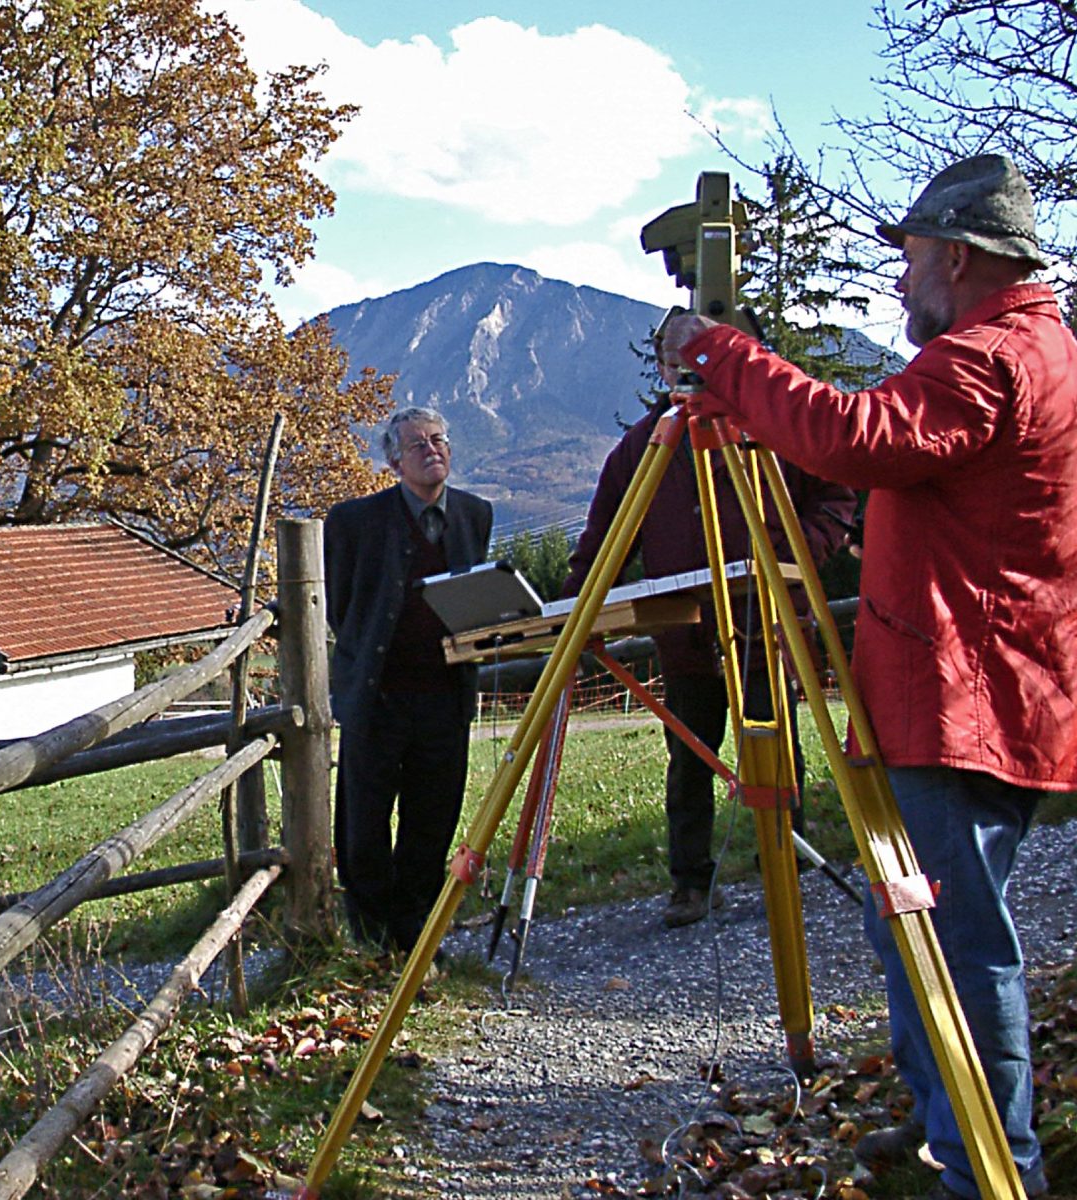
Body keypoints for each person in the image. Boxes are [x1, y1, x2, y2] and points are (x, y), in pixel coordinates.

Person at [664, 154, 1072, 1200]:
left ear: (961, 257)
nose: (898, 280)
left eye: (912, 256)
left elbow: (859, 439)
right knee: (915, 920)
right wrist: (749, 399)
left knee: (959, 942)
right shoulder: (1033, 346)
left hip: (967, 695)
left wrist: (724, 355)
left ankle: (993, 1165)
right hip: (967, 682)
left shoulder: (991, 357)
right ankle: (952, 1126)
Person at [562, 312, 855, 928]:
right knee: (688, 756)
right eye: (669, 355)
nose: (679, 366)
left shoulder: (771, 428)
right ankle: (690, 883)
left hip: (764, 620)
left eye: (691, 353)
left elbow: (836, 499)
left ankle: (786, 869)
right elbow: (605, 539)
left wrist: (789, 555)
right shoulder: (643, 445)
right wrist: (575, 608)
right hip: (685, 634)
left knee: (775, 748)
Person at [324, 406, 493, 955]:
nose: (432, 450)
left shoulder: (475, 514)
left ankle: (415, 932)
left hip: (445, 697)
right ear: (394, 460)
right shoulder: (353, 522)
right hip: (376, 698)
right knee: (364, 822)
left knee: (433, 818)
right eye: (417, 444)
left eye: (439, 440)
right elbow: (342, 605)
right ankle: (371, 936)